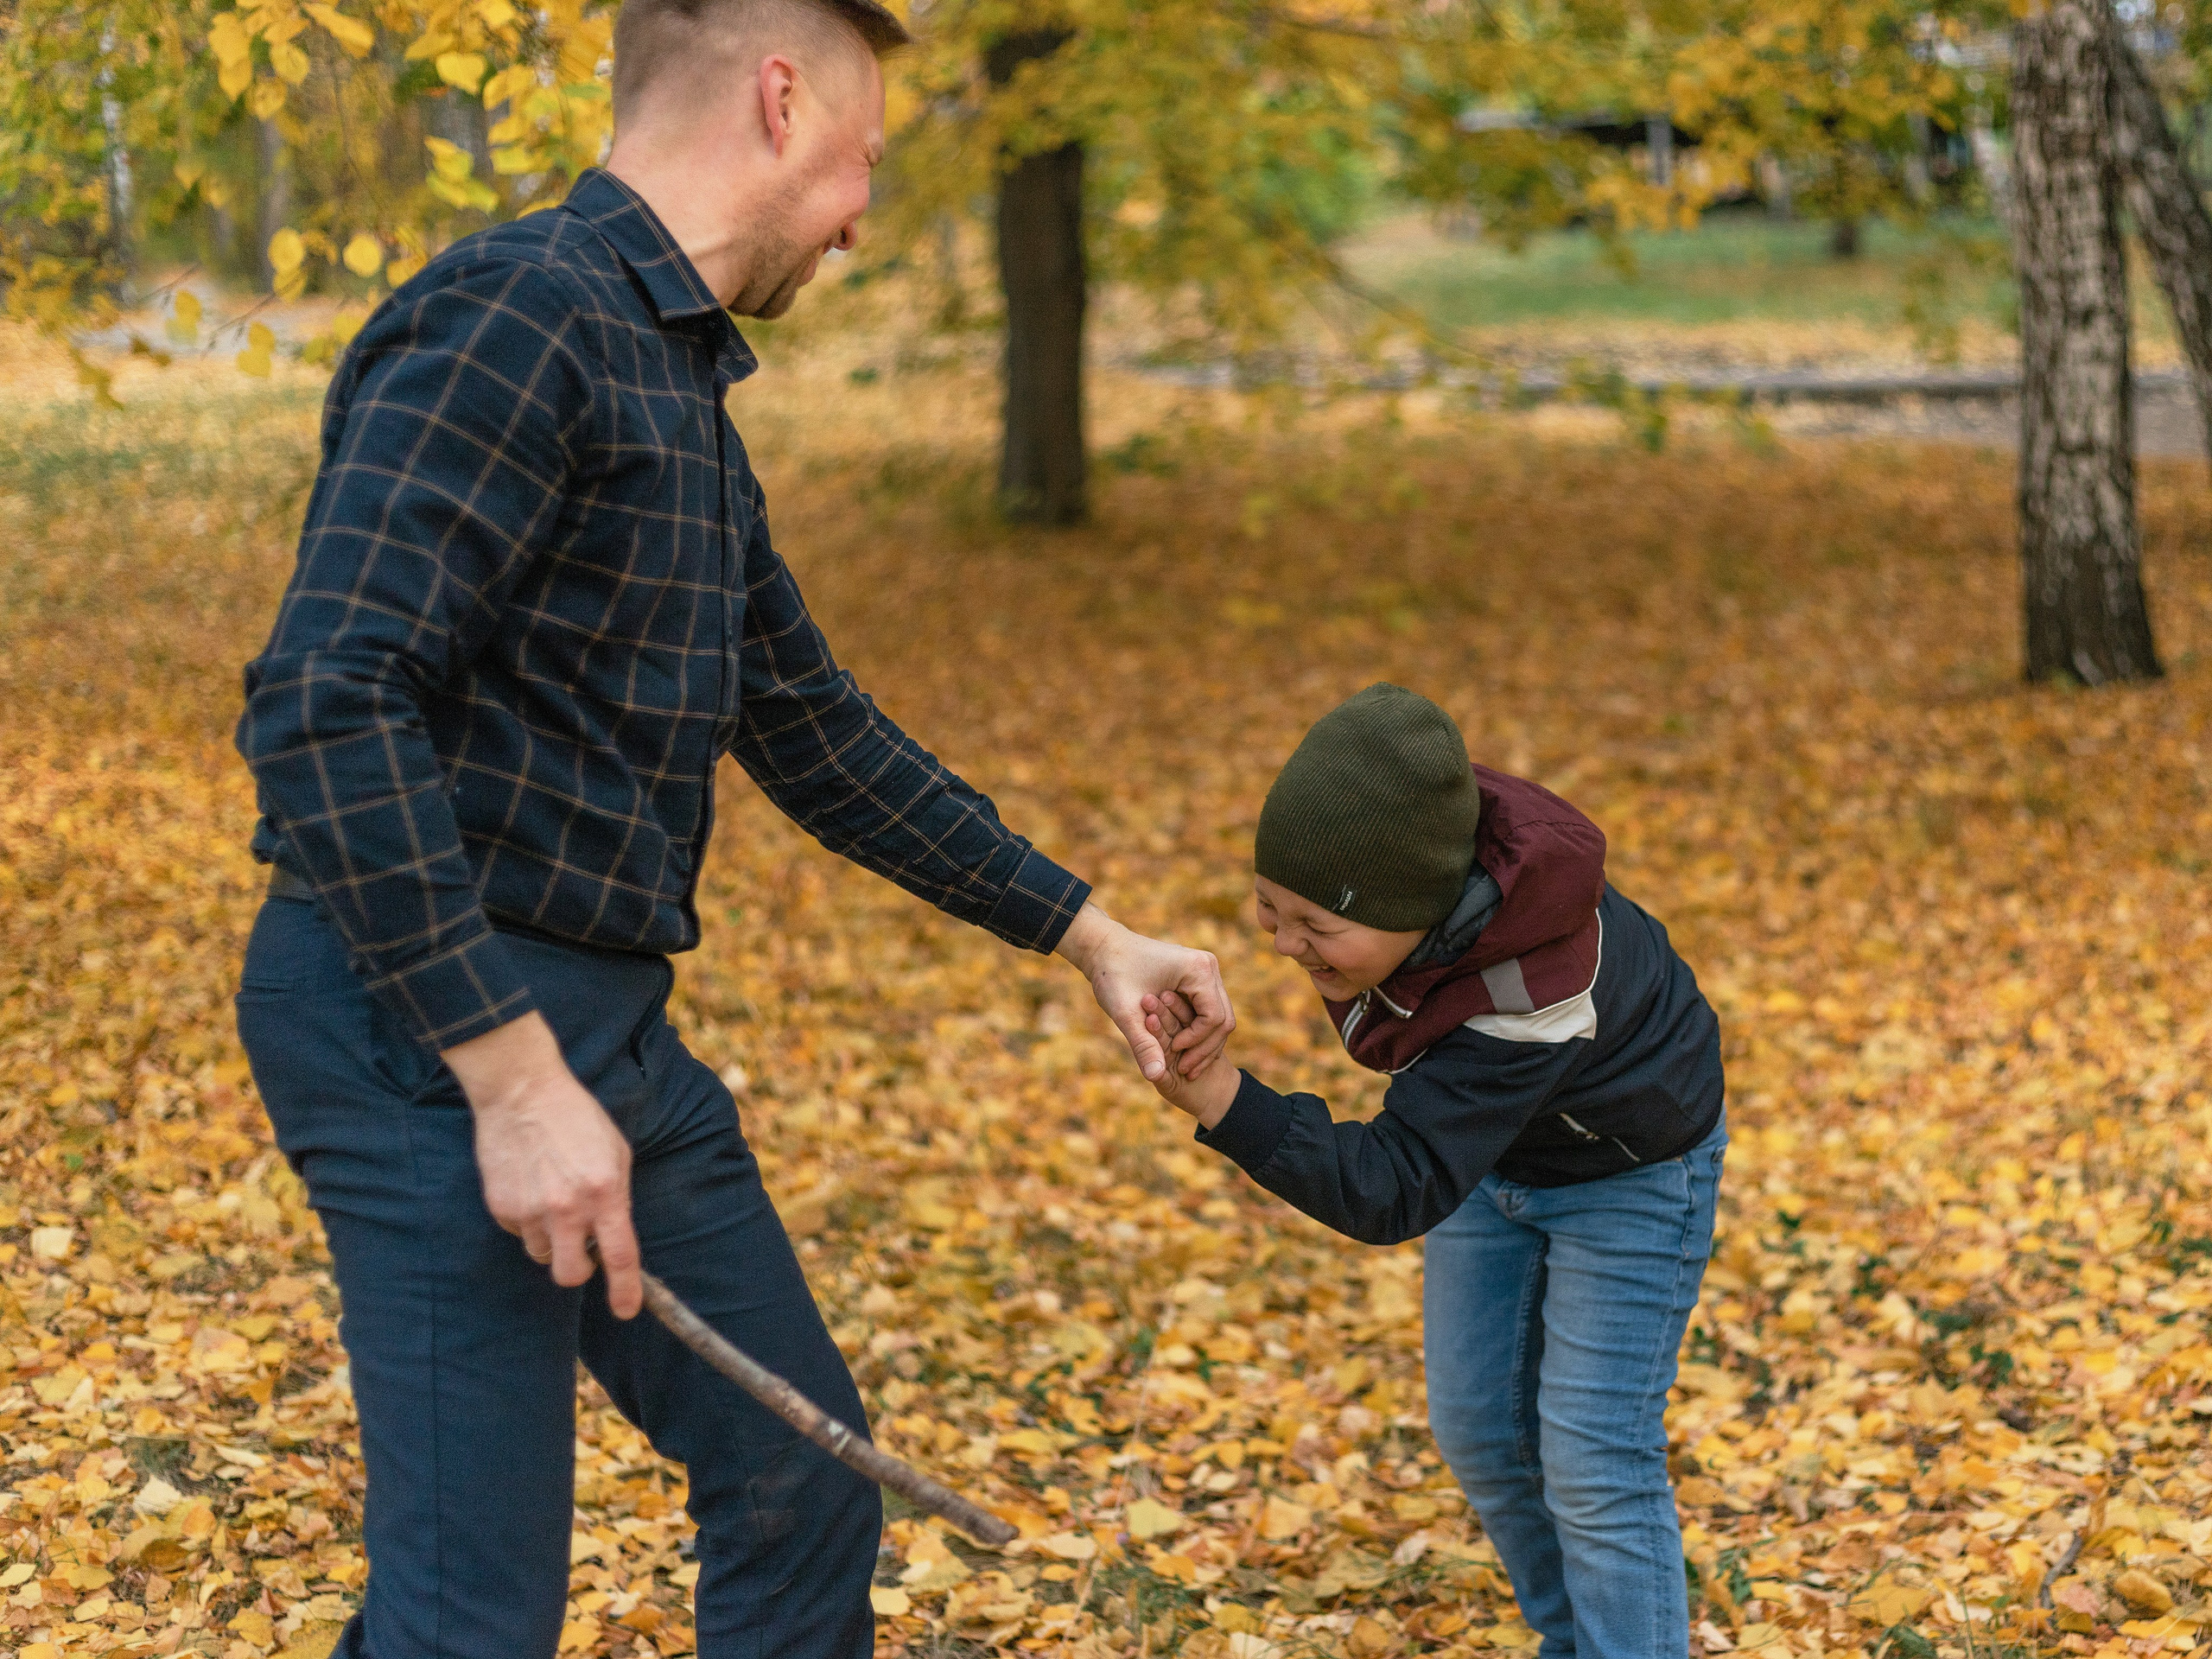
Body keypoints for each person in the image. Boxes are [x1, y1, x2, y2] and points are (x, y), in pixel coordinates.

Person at [231, 3, 1232, 1654]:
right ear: (781, 101)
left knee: (797, 1485)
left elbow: (811, 729)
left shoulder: (674, 380)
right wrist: (513, 1079)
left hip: (605, 1032)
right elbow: (326, 706)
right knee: (466, 1620)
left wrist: (1090, 934)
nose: (862, 210)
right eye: (866, 158)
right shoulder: (511, 321)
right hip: (424, 1030)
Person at [1142, 683, 1726, 1659]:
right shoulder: (1413, 853)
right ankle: (1575, 1640)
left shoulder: (1525, 989)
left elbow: (1395, 1183)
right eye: (1266, 910)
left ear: (1412, 909)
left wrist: (1223, 1103)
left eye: (1313, 927)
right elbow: (1432, 1130)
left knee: (1592, 1459)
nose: (1283, 945)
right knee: (1479, 1431)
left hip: (1628, 1178)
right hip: (1485, 1146)